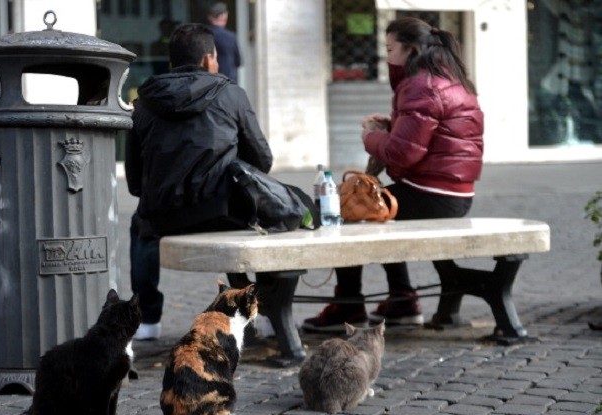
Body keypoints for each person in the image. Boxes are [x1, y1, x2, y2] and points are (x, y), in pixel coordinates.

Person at [302, 16, 484, 332]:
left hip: (431, 195)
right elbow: (433, 135)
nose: (386, 56)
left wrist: (371, 138)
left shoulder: (421, 85)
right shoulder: (447, 79)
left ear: (410, 50)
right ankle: (401, 299)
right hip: (452, 193)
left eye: (390, 48)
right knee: (381, 209)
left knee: (346, 212)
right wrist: (392, 126)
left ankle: (348, 306)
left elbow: (403, 153)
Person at [125, 23, 272, 340]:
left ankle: (148, 319)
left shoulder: (144, 102)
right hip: (223, 213)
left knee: (140, 225)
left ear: (172, 62)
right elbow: (263, 161)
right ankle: (267, 310)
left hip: (163, 217)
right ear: (208, 59)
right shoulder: (231, 93)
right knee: (270, 216)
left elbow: (135, 183)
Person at [207, 2, 241, 83]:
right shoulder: (230, 36)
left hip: (209, 82)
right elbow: (238, 61)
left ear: (209, 17)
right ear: (224, 16)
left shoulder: (204, 34)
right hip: (228, 82)